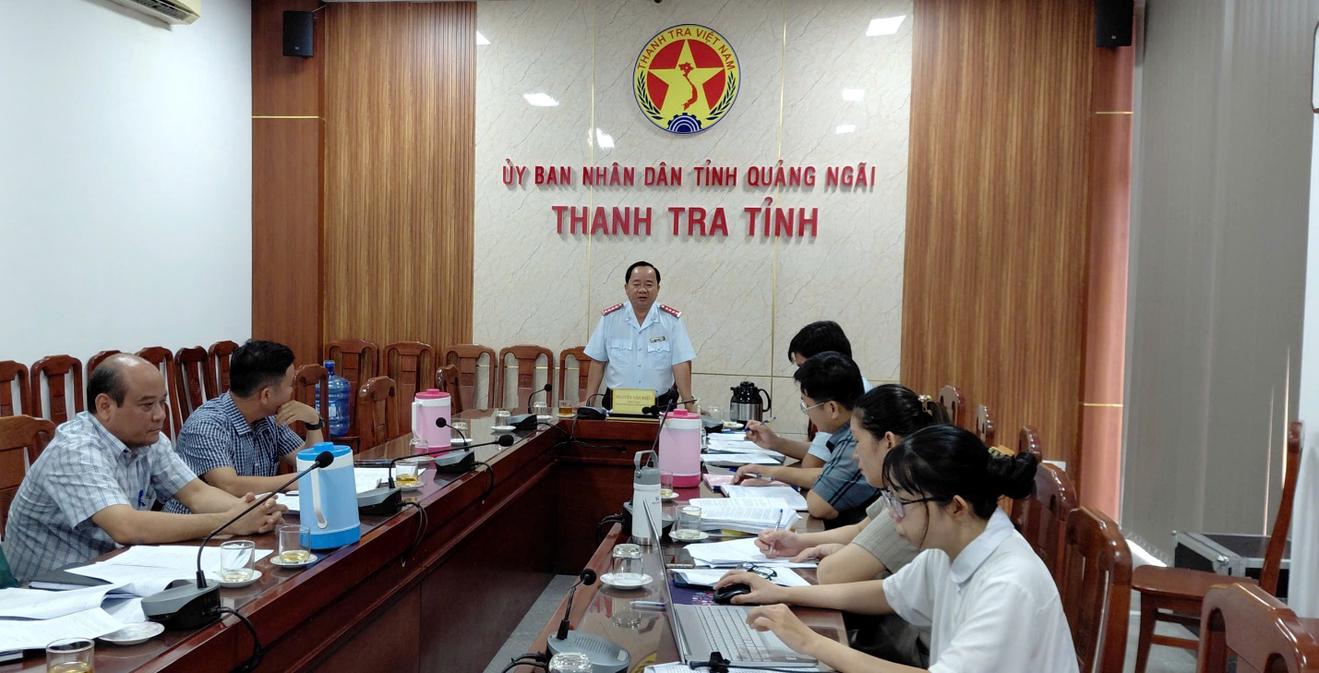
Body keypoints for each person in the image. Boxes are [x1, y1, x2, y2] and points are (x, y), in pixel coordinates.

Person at [715, 425, 1078, 673]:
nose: (892, 514)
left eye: (901, 502)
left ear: (956, 507)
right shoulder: (954, 545)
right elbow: (887, 593)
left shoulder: (1008, 585)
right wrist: (782, 592)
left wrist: (809, 641)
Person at [3, 354, 285, 583]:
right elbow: (126, 526)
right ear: (105, 406)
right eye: (147, 405)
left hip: (114, 569)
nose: (160, 415)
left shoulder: (148, 438)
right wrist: (228, 521)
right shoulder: (75, 450)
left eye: (162, 402)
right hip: (49, 589)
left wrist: (254, 513)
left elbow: (197, 494)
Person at [164, 340, 322, 513]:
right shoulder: (206, 425)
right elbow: (229, 485)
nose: (292, 391)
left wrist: (313, 422)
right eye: (290, 384)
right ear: (266, 395)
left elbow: (312, 464)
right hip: (201, 526)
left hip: (251, 518)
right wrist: (297, 480)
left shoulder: (269, 418)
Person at [735, 352, 876, 526]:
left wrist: (771, 473)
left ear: (832, 408)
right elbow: (829, 473)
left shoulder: (854, 438)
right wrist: (771, 462)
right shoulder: (850, 428)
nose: (807, 413)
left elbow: (819, 505)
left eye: (807, 406)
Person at [743, 321, 873, 468]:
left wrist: (767, 473)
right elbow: (822, 451)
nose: (802, 375)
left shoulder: (846, 400)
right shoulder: (851, 388)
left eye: (803, 367)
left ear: (826, 364)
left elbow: (812, 465)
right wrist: (775, 442)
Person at [583, 261, 696, 412]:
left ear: (658, 289)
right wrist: (588, 403)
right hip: (616, 405)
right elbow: (598, 362)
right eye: (636, 284)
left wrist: (689, 404)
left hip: (659, 407)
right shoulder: (610, 319)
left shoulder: (671, 321)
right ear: (626, 288)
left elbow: (680, 363)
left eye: (649, 285)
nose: (642, 290)